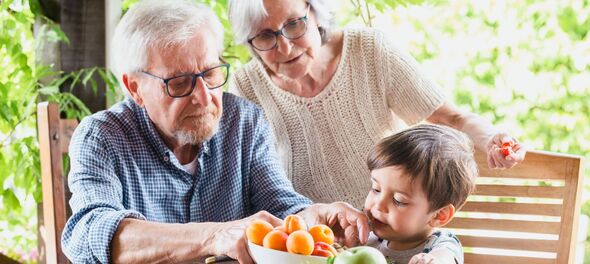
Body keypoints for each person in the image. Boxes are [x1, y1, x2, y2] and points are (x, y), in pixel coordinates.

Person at [60, 1, 369, 263]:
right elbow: (89, 232)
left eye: (210, 73)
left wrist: (314, 214)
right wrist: (215, 235)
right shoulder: (101, 136)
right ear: (135, 88)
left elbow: (280, 204)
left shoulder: (244, 121)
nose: (205, 97)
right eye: (179, 84)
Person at [227, 0, 525, 209]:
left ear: (315, 13)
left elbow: (451, 118)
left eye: (294, 24)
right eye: (265, 35)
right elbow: (251, 184)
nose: (285, 47)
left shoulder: (368, 50)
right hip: (315, 243)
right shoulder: (246, 87)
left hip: (396, 225)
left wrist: (491, 139)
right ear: (249, 41)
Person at [363, 124, 477, 264]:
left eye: (399, 200)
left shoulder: (440, 244)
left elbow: (445, 256)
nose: (379, 205)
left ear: (439, 215)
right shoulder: (367, 236)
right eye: (376, 189)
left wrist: (434, 261)